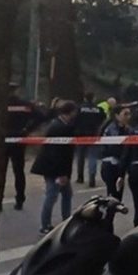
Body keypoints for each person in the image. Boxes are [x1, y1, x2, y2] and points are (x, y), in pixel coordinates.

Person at [31, 100, 79, 234]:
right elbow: (58, 153)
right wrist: (62, 174)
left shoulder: (59, 124)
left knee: (65, 194)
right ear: (70, 112)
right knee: (52, 195)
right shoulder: (60, 128)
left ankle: (65, 220)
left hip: (55, 167)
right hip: (54, 168)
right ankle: (45, 224)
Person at [6, 84, 40, 210]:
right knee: (18, 171)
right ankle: (19, 199)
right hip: (19, 139)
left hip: (1, 140)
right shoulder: (24, 105)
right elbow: (40, 117)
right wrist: (27, 129)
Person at [99, 105, 132, 200]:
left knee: (117, 197)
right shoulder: (111, 129)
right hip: (110, 165)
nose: (128, 117)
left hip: (121, 165)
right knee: (112, 196)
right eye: (125, 114)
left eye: (129, 114)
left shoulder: (128, 129)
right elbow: (114, 147)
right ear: (117, 116)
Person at [73, 93, 106, 187]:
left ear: (85, 98)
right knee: (92, 157)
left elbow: (75, 120)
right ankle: (92, 178)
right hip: (93, 135)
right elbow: (103, 119)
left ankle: (80, 177)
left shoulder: (80, 108)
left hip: (81, 135)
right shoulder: (98, 109)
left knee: (80, 157)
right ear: (94, 98)